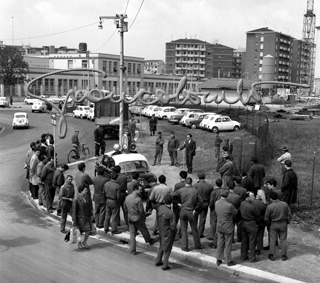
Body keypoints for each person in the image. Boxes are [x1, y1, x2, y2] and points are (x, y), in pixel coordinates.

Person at [124, 182, 158, 255]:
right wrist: (145, 216)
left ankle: (132, 251)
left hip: (130, 217)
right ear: (135, 189)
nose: (141, 191)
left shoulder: (127, 197)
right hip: (137, 218)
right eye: (139, 190)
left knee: (132, 235)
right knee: (144, 229)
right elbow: (141, 211)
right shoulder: (138, 199)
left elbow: (125, 208)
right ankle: (149, 240)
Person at [173, 177, 204, 252]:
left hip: (183, 210)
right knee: (194, 229)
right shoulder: (195, 191)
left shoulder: (181, 190)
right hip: (191, 211)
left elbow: (172, 196)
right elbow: (201, 201)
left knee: (184, 230)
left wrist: (178, 204)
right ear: (191, 182)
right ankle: (197, 245)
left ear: (185, 183)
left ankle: (185, 246)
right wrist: (196, 209)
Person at [264, 191, 292, 261]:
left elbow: (266, 218)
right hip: (283, 223)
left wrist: (269, 223)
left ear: (270, 198)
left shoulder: (270, 206)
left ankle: (272, 254)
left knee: (273, 240)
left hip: (274, 224)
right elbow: (289, 214)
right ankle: (283, 255)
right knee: (283, 240)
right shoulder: (285, 204)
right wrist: (287, 221)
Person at [215, 188, 237, 267]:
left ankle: (219, 259)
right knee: (228, 244)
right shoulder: (229, 205)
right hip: (228, 226)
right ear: (227, 195)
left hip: (220, 225)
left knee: (220, 243)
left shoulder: (217, 203)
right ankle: (229, 260)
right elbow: (235, 212)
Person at [155, 195, 177, 271]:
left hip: (161, 230)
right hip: (168, 232)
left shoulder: (160, 208)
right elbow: (173, 227)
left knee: (161, 245)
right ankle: (165, 265)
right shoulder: (171, 213)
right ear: (171, 202)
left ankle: (158, 261)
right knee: (167, 249)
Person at [240, 192, 261, 263]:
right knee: (252, 241)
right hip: (251, 224)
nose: (254, 197)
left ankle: (243, 255)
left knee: (244, 240)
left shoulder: (242, 203)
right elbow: (258, 215)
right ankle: (252, 257)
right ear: (248, 197)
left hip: (243, 223)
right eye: (252, 196)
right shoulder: (252, 206)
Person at [72, 185, 93, 250]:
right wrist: (75, 222)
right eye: (85, 190)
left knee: (88, 230)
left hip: (87, 217)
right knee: (79, 232)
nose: (86, 191)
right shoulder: (76, 199)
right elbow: (74, 211)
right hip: (80, 218)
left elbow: (89, 207)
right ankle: (79, 243)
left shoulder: (87, 198)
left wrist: (91, 215)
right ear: (81, 191)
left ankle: (85, 242)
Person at [194, 172, 213, 238]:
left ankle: (194, 231)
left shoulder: (195, 185)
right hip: (205, 203)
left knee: (195, 218)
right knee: (202, 219)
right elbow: (211, 196)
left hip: (197, 204)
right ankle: (200, 233)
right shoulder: (209, 186)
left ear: (198, 177)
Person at [173, 171, 188, 239]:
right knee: (184, 220)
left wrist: (176, 203)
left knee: (175, 219)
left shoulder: (177, 185)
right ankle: (180, 234)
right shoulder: (188, 185)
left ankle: (173, 232)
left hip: (177, 205)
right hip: (185, 205)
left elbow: (174, 196)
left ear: (180, 177)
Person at [208, 179, 223, 248]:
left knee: (213, 222)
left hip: (214, 208)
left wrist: (211, 208)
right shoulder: (223, 191)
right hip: (221, 208)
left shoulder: (214, 192)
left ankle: (212, 235)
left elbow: (211, 201)